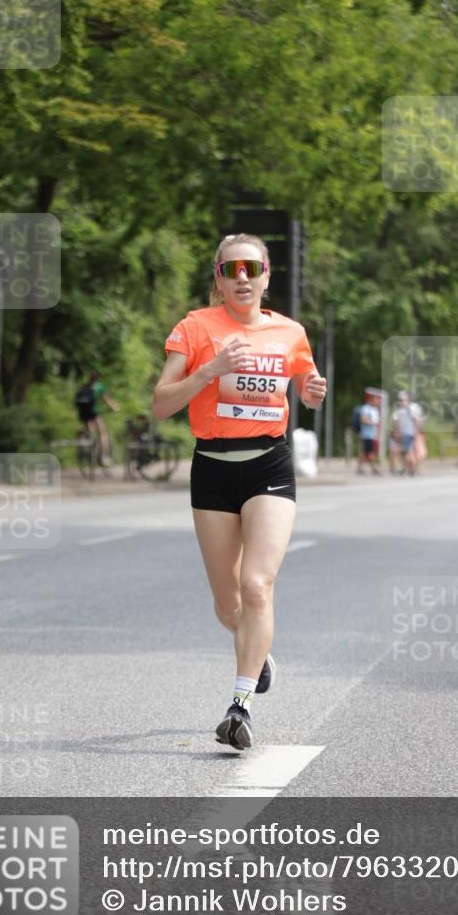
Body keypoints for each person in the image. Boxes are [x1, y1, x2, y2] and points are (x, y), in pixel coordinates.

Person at [152, 233, 327, 750]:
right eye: (232, 270)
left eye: (252, 268)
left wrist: (313, 390)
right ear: (219, 278)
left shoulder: (289, 332)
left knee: (256, 586)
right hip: (212, 466)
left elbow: (306, 381)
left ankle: (240, 704)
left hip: (270, 465)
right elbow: (161, 404)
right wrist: (210, 371)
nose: (243, 278)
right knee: (228, 603)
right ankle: (257, 648)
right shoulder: (195, 327)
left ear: (267, 275)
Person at [74, 370, 120, 466]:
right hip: (93, 412)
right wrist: (114, 407)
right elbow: (107, 400)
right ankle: (104, 456)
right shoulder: (99, 387)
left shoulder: (85, 386)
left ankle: (82, 437)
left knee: (89, 428)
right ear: (98, 378)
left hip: (82, 413)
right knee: (102, 432)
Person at [391, 391, 417, 475]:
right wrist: (416, 432)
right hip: (410, 433)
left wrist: (398, 433)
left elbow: (397, 423)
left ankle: (409, 469)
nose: (401, 402)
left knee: (407, 453)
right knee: (408, 452)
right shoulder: (411, 409)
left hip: (406, 434)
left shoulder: (400, 411)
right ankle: (410, 469)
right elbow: (416, 421)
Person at [357, 399, 381, 474]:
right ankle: (373, 468)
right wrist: (372, 423)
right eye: (377, 401)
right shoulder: (365, 408)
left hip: (372, 435)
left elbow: (378, 422)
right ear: (372, 400)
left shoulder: (375, 410)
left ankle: (360, 468)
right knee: (369, 452)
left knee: (365, 452)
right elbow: (363, 419)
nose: (378, 403)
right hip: (366, 435)